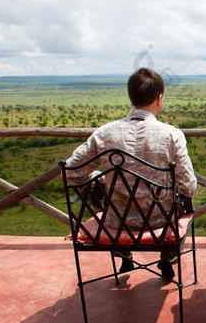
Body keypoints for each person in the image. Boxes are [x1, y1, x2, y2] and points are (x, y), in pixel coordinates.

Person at [65, 68, 197, 281]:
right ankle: (167, 255)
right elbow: (189, 187)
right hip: (161, 223)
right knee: (183, 198)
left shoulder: (104, 133)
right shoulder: (172, 135)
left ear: (131, 97)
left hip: (116, 223)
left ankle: (123, 253)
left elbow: (72, 171)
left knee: (101, 184)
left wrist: (98, 178)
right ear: (159, 98)